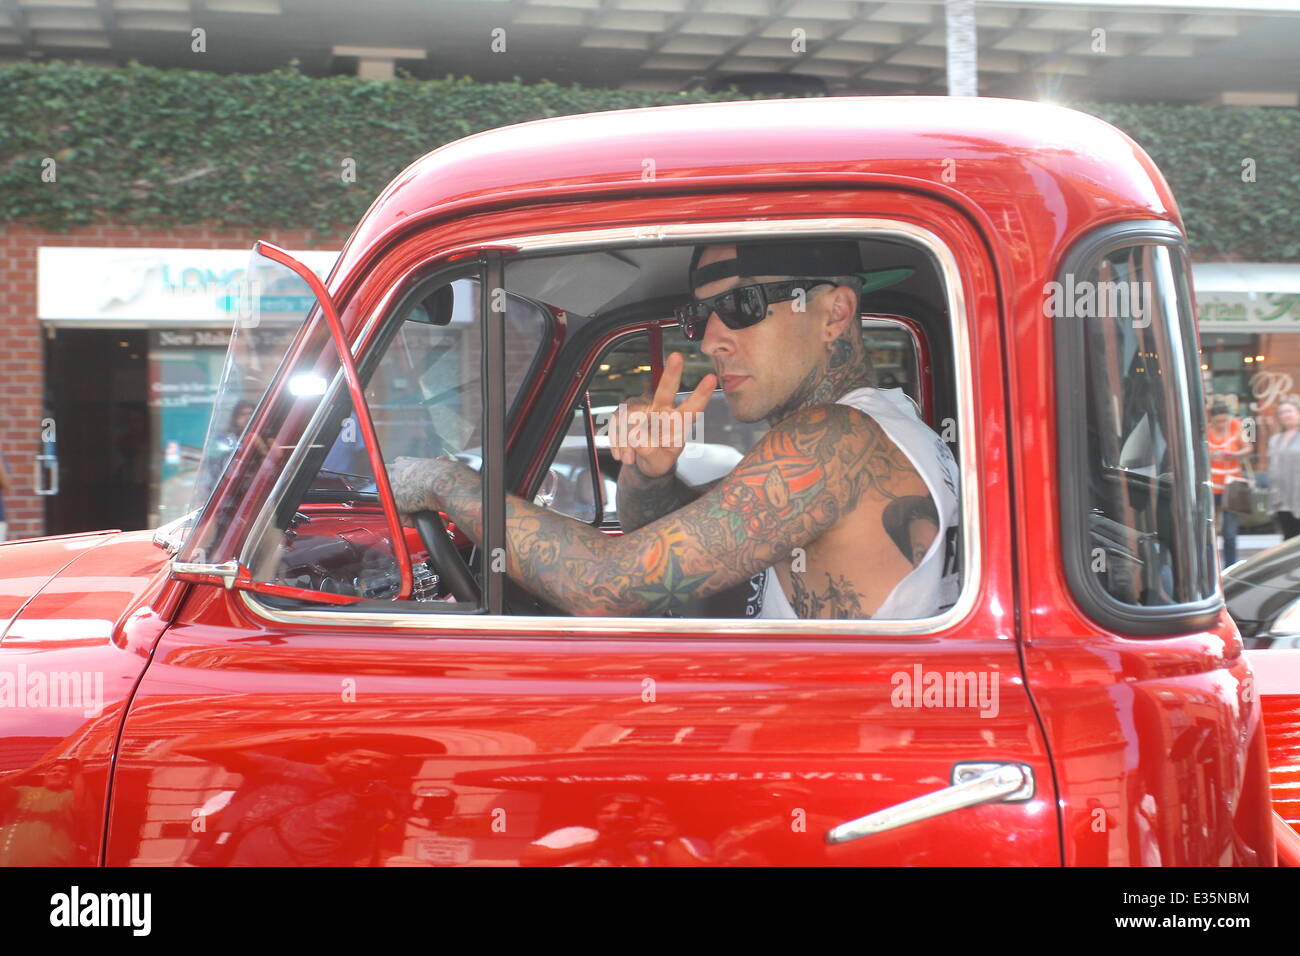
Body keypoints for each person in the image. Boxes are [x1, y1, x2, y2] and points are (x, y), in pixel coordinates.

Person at [390, 240, 959, 620]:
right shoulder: (881, 422)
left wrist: (447, 482)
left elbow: (607, 586)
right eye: (699, 317)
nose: (709, 340)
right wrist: (648, 476)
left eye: (742, 303)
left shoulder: (837, 438)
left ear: (834, 313)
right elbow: (677, 565)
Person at [1207, 402, 1252, 567]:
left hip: (1232, 486)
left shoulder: (1237, 425)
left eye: (1224, 420)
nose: (1222, 424)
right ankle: (1210, 566)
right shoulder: (1205, 430)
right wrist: (1210, 455)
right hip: (1210, 486)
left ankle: (1230, 566)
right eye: (1218, 420)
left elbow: (1248, 448)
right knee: (1208, 531)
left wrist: (1232, 454)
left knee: (1230, 533)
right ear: (1211, 419)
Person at [1267, 398, 1300, 540]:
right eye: (1281, 413)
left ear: (1298, 413)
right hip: (1282, 501)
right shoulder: (1275, 439)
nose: (1286, 415)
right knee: (1289, 542)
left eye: (1289, 411)